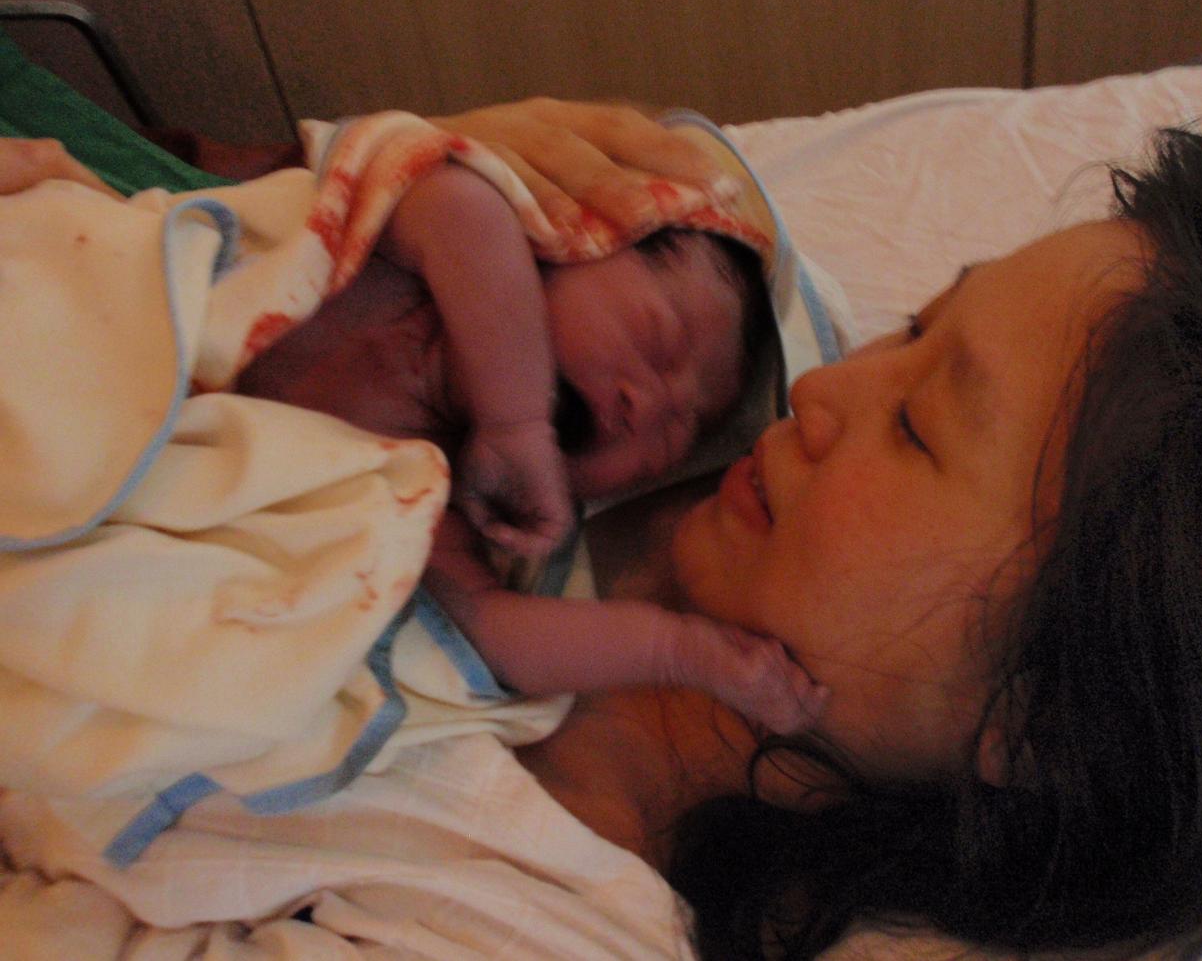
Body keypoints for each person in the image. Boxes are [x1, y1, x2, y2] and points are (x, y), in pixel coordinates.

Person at [4, 99, 1202, 961]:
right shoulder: (707, 376)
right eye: (910, 328)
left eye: (919, 424)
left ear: (1053, 717)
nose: (828, 390)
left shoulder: (494, 913)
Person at [238, 157, 826, 734]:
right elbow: (457, 200)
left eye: (670, 435)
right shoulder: (433, 253)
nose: (644, 406)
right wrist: (514, 419)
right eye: (655, 337)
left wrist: (678, 651)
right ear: (570, 244)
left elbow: (493, 634)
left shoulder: (423, 496)